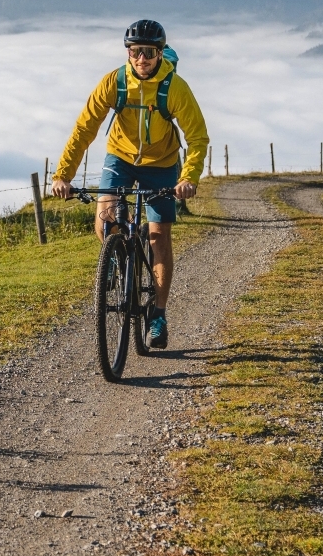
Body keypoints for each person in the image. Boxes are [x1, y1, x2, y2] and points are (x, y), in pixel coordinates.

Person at [50, 20, 210, 348]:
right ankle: (116, 258)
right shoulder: (115, 82)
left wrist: (188, 178)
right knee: (104, 218)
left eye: (148, 52)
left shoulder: (174, 87)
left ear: (160, 53)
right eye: (135, 51)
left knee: (158, 234)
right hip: (120, 157)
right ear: (128, 52)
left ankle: (158, 315)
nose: (141, 59)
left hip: (162, 163)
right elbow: (84, 129)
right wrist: (63, 175)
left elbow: (197, 138)